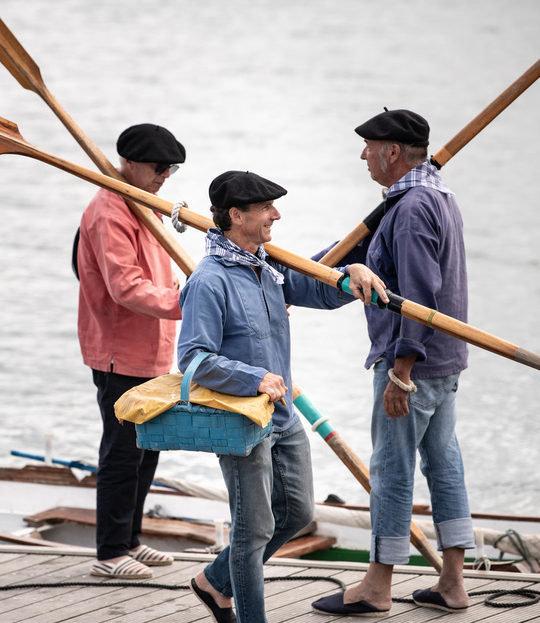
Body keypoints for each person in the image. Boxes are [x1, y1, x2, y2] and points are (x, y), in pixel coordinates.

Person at [178, 170, 388, 623]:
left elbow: (315, 285)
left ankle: (214, 581)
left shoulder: (266, 264)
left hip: (283, 415)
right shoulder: (209, 281)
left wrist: (349, 270)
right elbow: (193, 360)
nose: (277, 214)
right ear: (237, 215)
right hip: (240, 420)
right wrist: (253, 378)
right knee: (253, 532)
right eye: (266, 208)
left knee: (295, 512)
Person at [312, 109, 475, 616]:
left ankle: (378, 586)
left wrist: (401, 372)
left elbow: (420, 294)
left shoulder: (411, 208)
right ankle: (452, 582)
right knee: (444, 464)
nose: (362, 156)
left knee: (391, 468)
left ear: (393, 153)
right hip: (444, 359)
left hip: (414, 362)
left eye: (368, 147)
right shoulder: (437, 197)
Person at [76, 123, 185, 579]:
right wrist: (186, 301)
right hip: (120, 350)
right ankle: (110, 553)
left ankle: (132, 539)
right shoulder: (109, 211)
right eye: (159, 168)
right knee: (122, 452)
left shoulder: (147, 207)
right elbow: (125, 288)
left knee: (148, 448)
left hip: (156, 348)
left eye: (171, 169)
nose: (165, 176)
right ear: (132, 164)